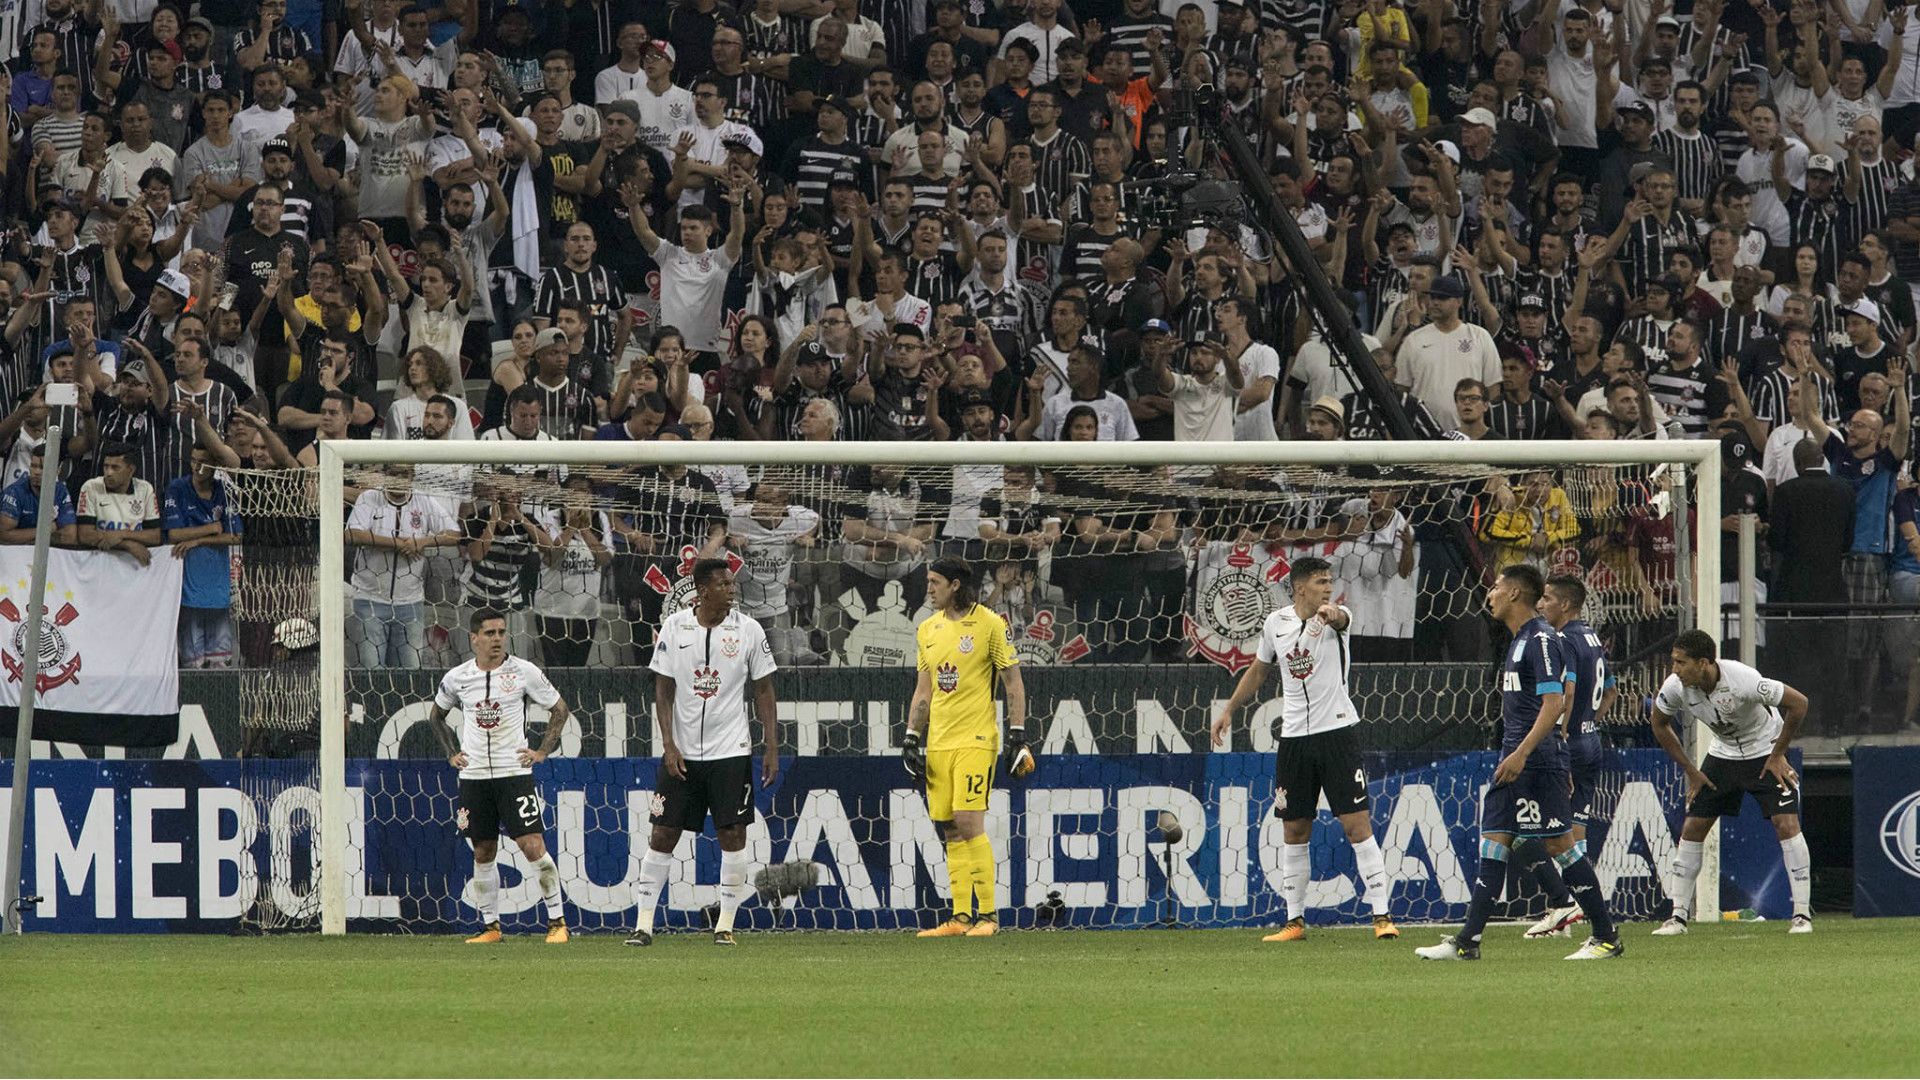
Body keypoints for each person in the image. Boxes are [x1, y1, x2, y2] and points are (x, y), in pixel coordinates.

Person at [1416, 564, 1622, 961]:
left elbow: (1555, 703)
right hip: (1514, 760)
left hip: (1536, 761)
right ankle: (1468, 942)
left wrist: (1524, 754)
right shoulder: (1519, 640)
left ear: (1513, 594)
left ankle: (1606, 936)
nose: (1490, 594)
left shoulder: (1541, 638)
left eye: (1496, 586)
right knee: (1495, 843)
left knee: (1561, 845)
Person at [1210, 555, 1400, 942]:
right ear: (1299, 588)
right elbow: (1259, 669)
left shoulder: (1338, 618)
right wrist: (1229, 709)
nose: (1328, 588)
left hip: (1337, 734)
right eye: (1320, 582)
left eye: (1330, 581)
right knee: (1294, 829)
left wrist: (1332, 615)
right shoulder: (1275, 623)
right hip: (1294, 739)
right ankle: (1294, 922)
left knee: (1356, 826)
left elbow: (1341, 618)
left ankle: (1382, 916)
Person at [629, 559, 780, 947]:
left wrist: (771, 746)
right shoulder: (674, 627)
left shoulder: (749, 630)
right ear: (702, 591)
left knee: (732, 833)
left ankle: (725, 925)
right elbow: (663, 689)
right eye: (724, 584)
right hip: (682, 754)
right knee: (663, 833)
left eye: (732, 583)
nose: (732, 589)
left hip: (731, 751)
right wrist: (668, 744)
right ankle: (643, 925)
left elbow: (764, 689)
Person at [1647, 630, 1815, 935]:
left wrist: (1778, 753)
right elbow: (1658, 723)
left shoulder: (1743, 679)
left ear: (1703, 663)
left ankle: (1802, 915)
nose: (1674, 669)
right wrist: (1690, 770)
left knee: (1786, 824)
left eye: (1681, 662)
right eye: (1674, 662)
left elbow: (1799, 703)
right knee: (1693, 827)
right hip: (1723, 755)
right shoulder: (1675, 687)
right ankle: (1678, 917)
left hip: (1764, 751)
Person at [425, 607, 573, 945]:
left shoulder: (524, 672)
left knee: (532, 845)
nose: (497, 639)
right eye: (490, 633)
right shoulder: (458, 677)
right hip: (474, 777)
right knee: (483, 850)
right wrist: (451, 753)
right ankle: (491, 927)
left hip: (513, 774)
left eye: (501, 633)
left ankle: (557, 923)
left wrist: (542, 751)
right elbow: (436, 716)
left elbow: (560, 710)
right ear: (473, 638)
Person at [903, 556, 1028, 937]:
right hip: (939, 742)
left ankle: (988, 916)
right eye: (928, 581)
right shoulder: (927, 629)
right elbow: (924, 689)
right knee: (950, 828)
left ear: (955, 585)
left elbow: (1012, 681)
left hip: (976, 738)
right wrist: (911, 737)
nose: (929, 589)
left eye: (935, 582)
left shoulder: (990, 624)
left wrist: (1017, 734)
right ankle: (960, 917)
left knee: (969, 821)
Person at [1522, 574, 1617, 940]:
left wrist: (1562, 736)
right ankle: (1576, 911)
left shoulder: (1562, 639)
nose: (1541, 604)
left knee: (1534, 830)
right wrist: (1589, 724)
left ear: (1565, 604)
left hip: (1569, 745)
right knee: (1575, 834)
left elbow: (1568, 692)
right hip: (1591, 743)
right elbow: (1611, 692)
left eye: (1547, 598)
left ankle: (1564, 905)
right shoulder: (1591, 637)